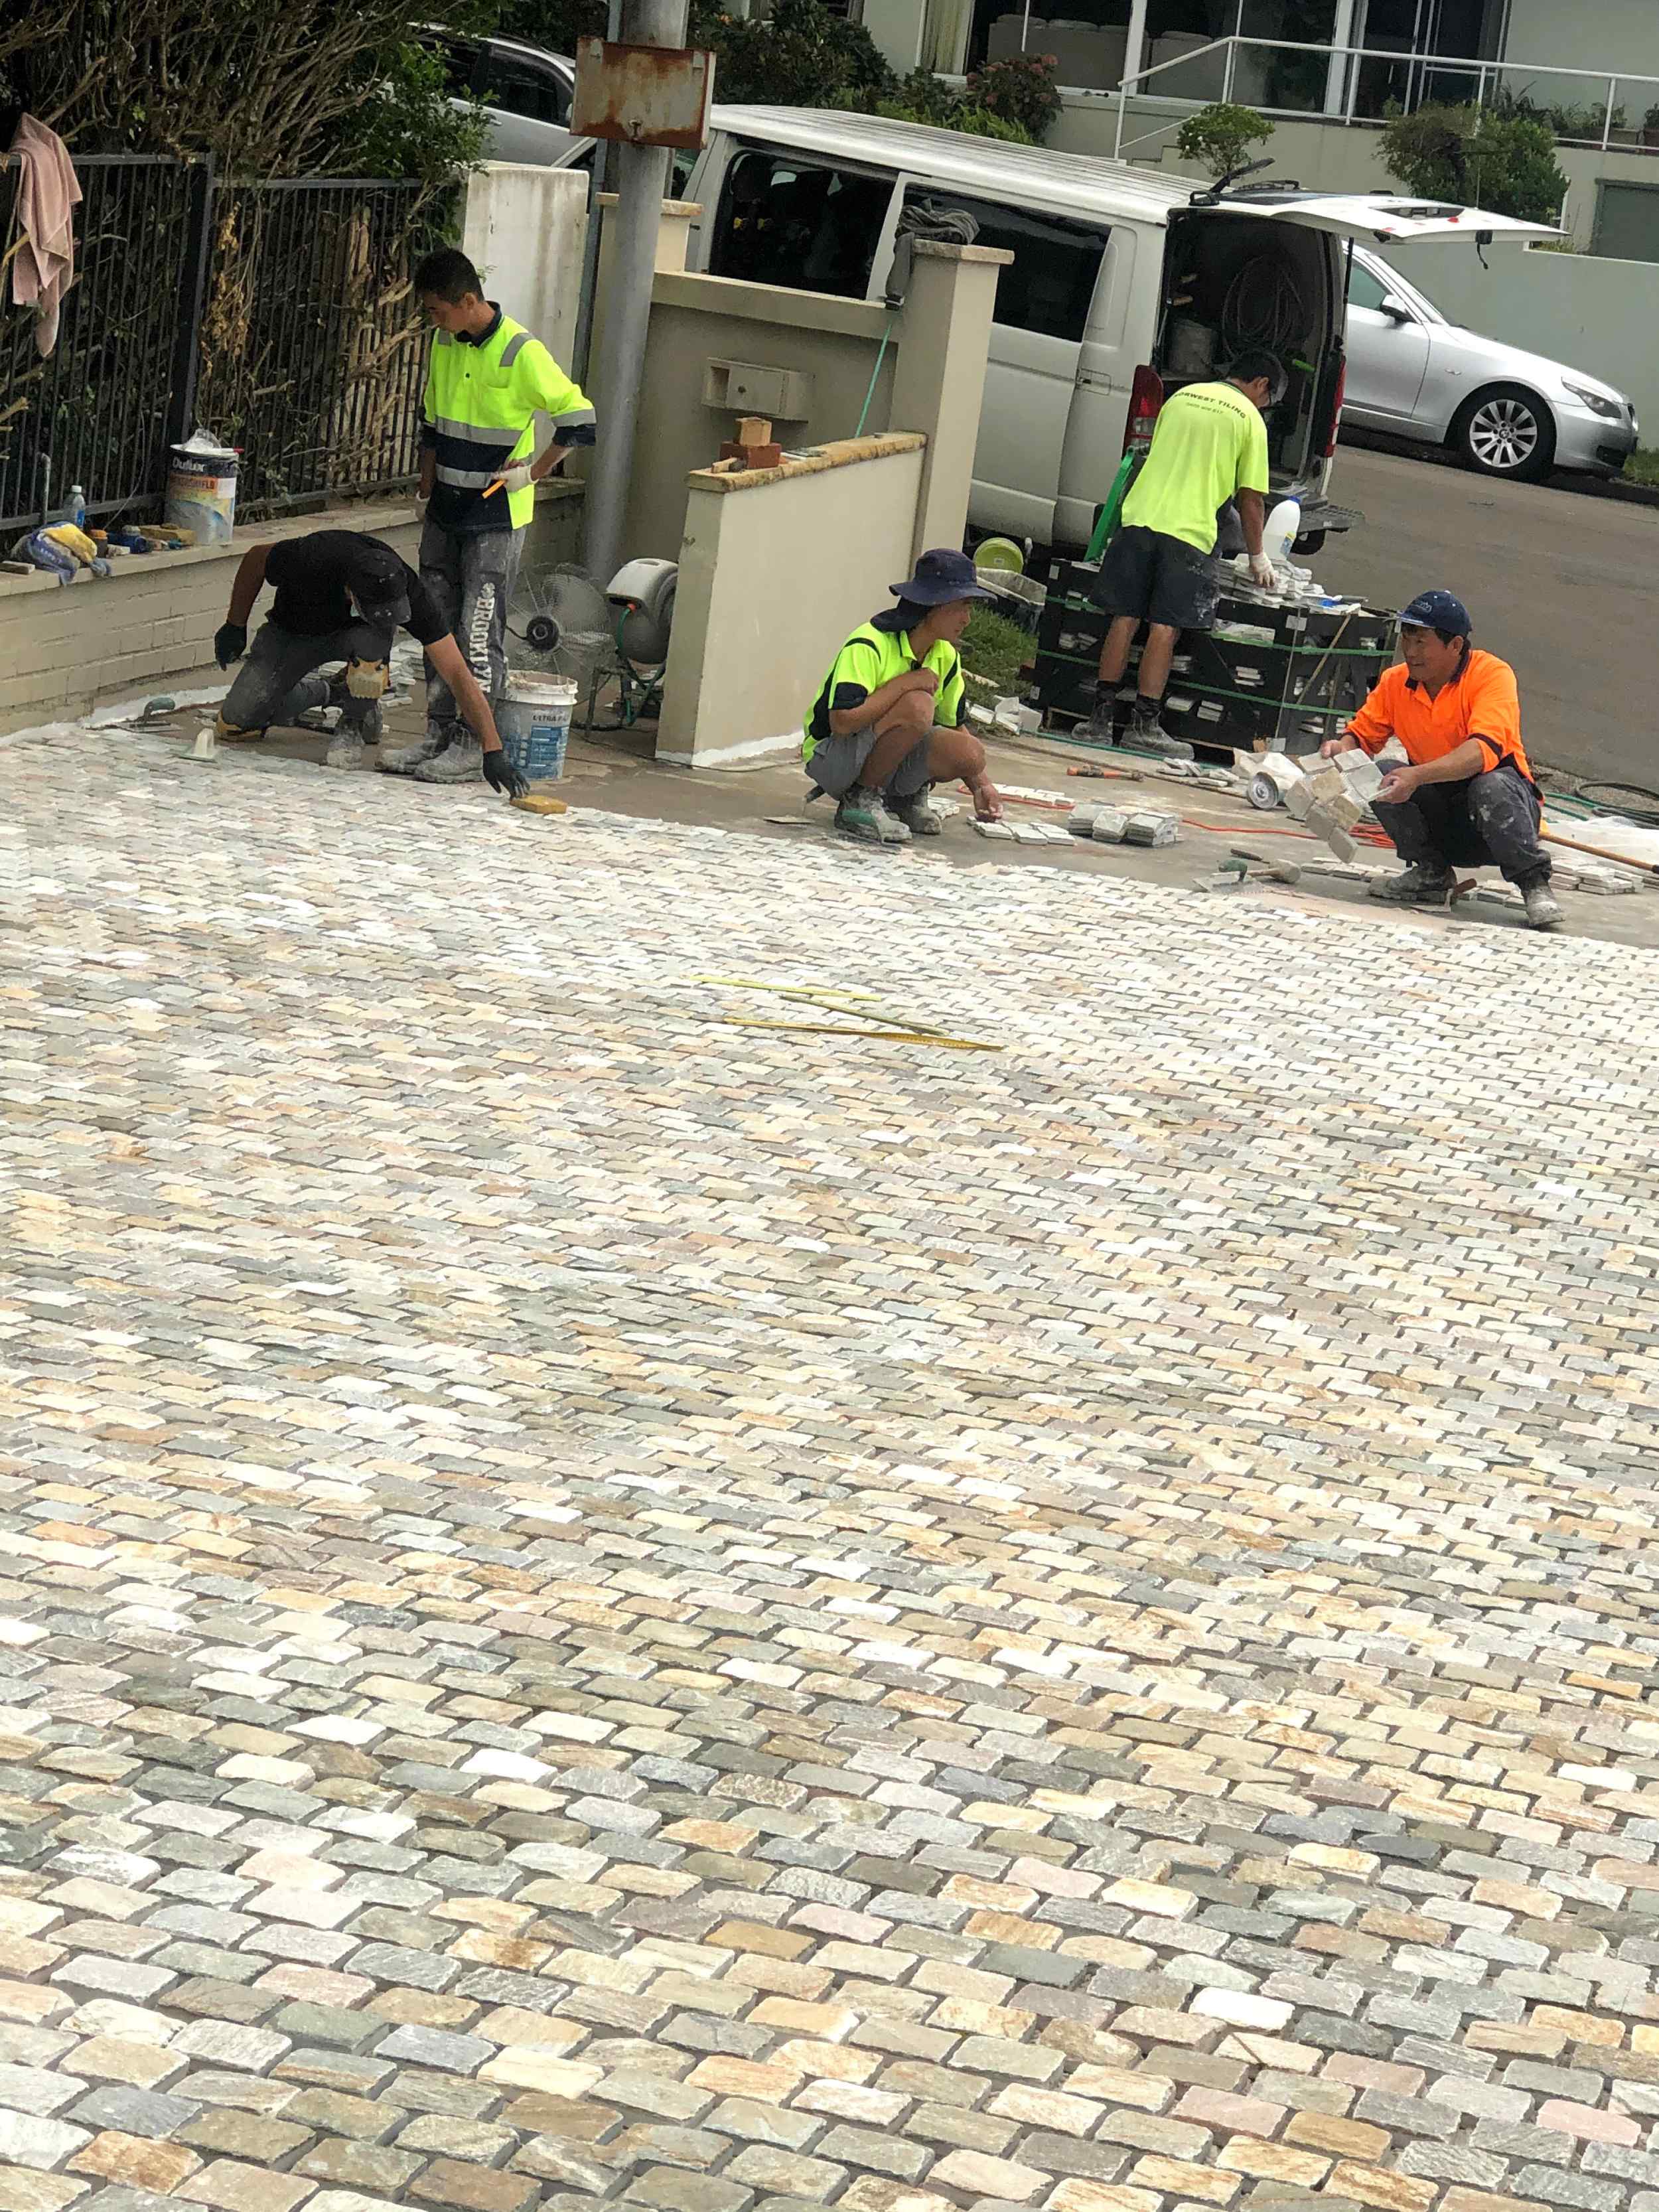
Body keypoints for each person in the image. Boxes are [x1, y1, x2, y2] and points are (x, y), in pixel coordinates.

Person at [384, 247, 597, 785]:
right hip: (445, 510)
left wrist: (535, 472)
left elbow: (580, 420)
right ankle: (437, 733)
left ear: (467, 301)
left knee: (477, 633)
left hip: (494, 516)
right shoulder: (444, 342)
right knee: (435, 626)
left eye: (437, 310)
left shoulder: (520, 352)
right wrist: (425, 488)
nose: (433, 320)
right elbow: (431, 423)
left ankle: (470, 742)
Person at [212, 527, 528, 797]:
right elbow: (256, 558)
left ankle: (354, 721)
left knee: (374, 640)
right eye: (376, 610)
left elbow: (456, 671)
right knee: (238, 721)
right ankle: (334, 691)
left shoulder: (409, 588)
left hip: (355, 639)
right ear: (351, 594)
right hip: (291, 634)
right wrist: (235, 624)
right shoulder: (313, 555)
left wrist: (492, 748)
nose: (388, 617)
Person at [1088, 348, 1285, 761]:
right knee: (1165, 627)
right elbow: (1251, 499)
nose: (1265, 406)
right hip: (1189, 532)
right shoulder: (1249, 419)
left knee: (1124, 617)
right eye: (1268, 399)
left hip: (1139, 518)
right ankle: (1144, 727)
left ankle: (1099, 721)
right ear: (1261, 384)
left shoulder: (1181, 397)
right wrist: (1258, 556)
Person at [1325, 589, 1559, 930]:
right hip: (1442, 814)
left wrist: (1417, 776)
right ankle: (1431, 873)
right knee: (1381, 773)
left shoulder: (1491, 675)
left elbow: (1481, 752)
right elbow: (1362, 735)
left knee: (1491, 785)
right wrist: (1343, 750)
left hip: (1502, 817)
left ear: (1456, 645)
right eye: (1407, 640)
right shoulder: (1395, 682)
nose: (1411, 652)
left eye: (1422, 642)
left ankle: (1535, 885)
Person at [803, 549, 1005, 846]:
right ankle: (859, 801)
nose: (967, 619)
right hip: (831, 756)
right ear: (933, 606)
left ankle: (903, 799)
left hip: (880, 756)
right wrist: (906, 684)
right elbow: (842, 723)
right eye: (961, 607)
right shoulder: (869, 642)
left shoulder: (946, 655)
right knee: (918, 705)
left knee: (971, 754)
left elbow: (953, 725)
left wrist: (981, 786)